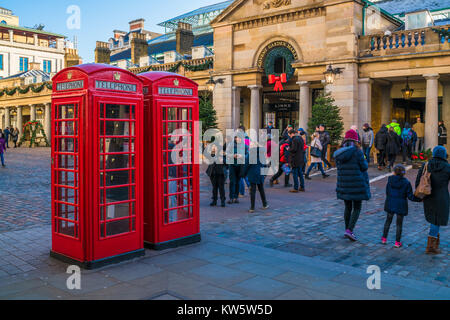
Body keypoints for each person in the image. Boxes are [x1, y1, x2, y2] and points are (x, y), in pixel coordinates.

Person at [334, 130, 371, 242]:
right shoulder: (357, 151)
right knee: (357, 207)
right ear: (355, 140)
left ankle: (347, 229)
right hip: (357, 184)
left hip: (344, 184)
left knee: (348, 207)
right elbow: (364, 167)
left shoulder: (339, 152)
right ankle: (349, 230)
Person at [415, 146, 449, 255]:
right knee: (437, 220)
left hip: (428, 195)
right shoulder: (447, 167)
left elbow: (418, 181)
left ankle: (433, 245)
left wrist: (420, 196)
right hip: (442, 196)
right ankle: (431, 247)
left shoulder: (427, 165)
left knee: (433, 219)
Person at [382, 164, 419, 248]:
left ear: (394, 172)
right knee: (399, 224)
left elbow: (387, 192)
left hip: (390, 203)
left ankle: (384, 239)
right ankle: (397, 242)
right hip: (401, 205)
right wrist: (419, 199)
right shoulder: (406, 182)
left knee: (388, 221)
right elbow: (410, 196)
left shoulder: (390, 181)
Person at [242, 143, 269, 213]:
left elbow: (246, 165)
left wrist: (243, 174)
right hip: (260, 173)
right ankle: (265, 204)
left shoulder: (250, 154)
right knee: (261, 189)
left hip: (252, 174)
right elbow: (265, 164)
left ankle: (252, 207)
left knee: (253, 191)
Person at [227, 136, 248, 204]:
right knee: (232, 181)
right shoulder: (230, 145)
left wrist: (242, 156)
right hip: (232, 165)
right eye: (237, 137)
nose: (238, 139)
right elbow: (226, 154)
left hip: (240, 166)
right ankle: (231, 197)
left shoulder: (245, 146)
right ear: (235, 138)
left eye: (240, 137)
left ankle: (236, 197)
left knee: (238, 181)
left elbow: (247, 155)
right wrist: (233, 155)